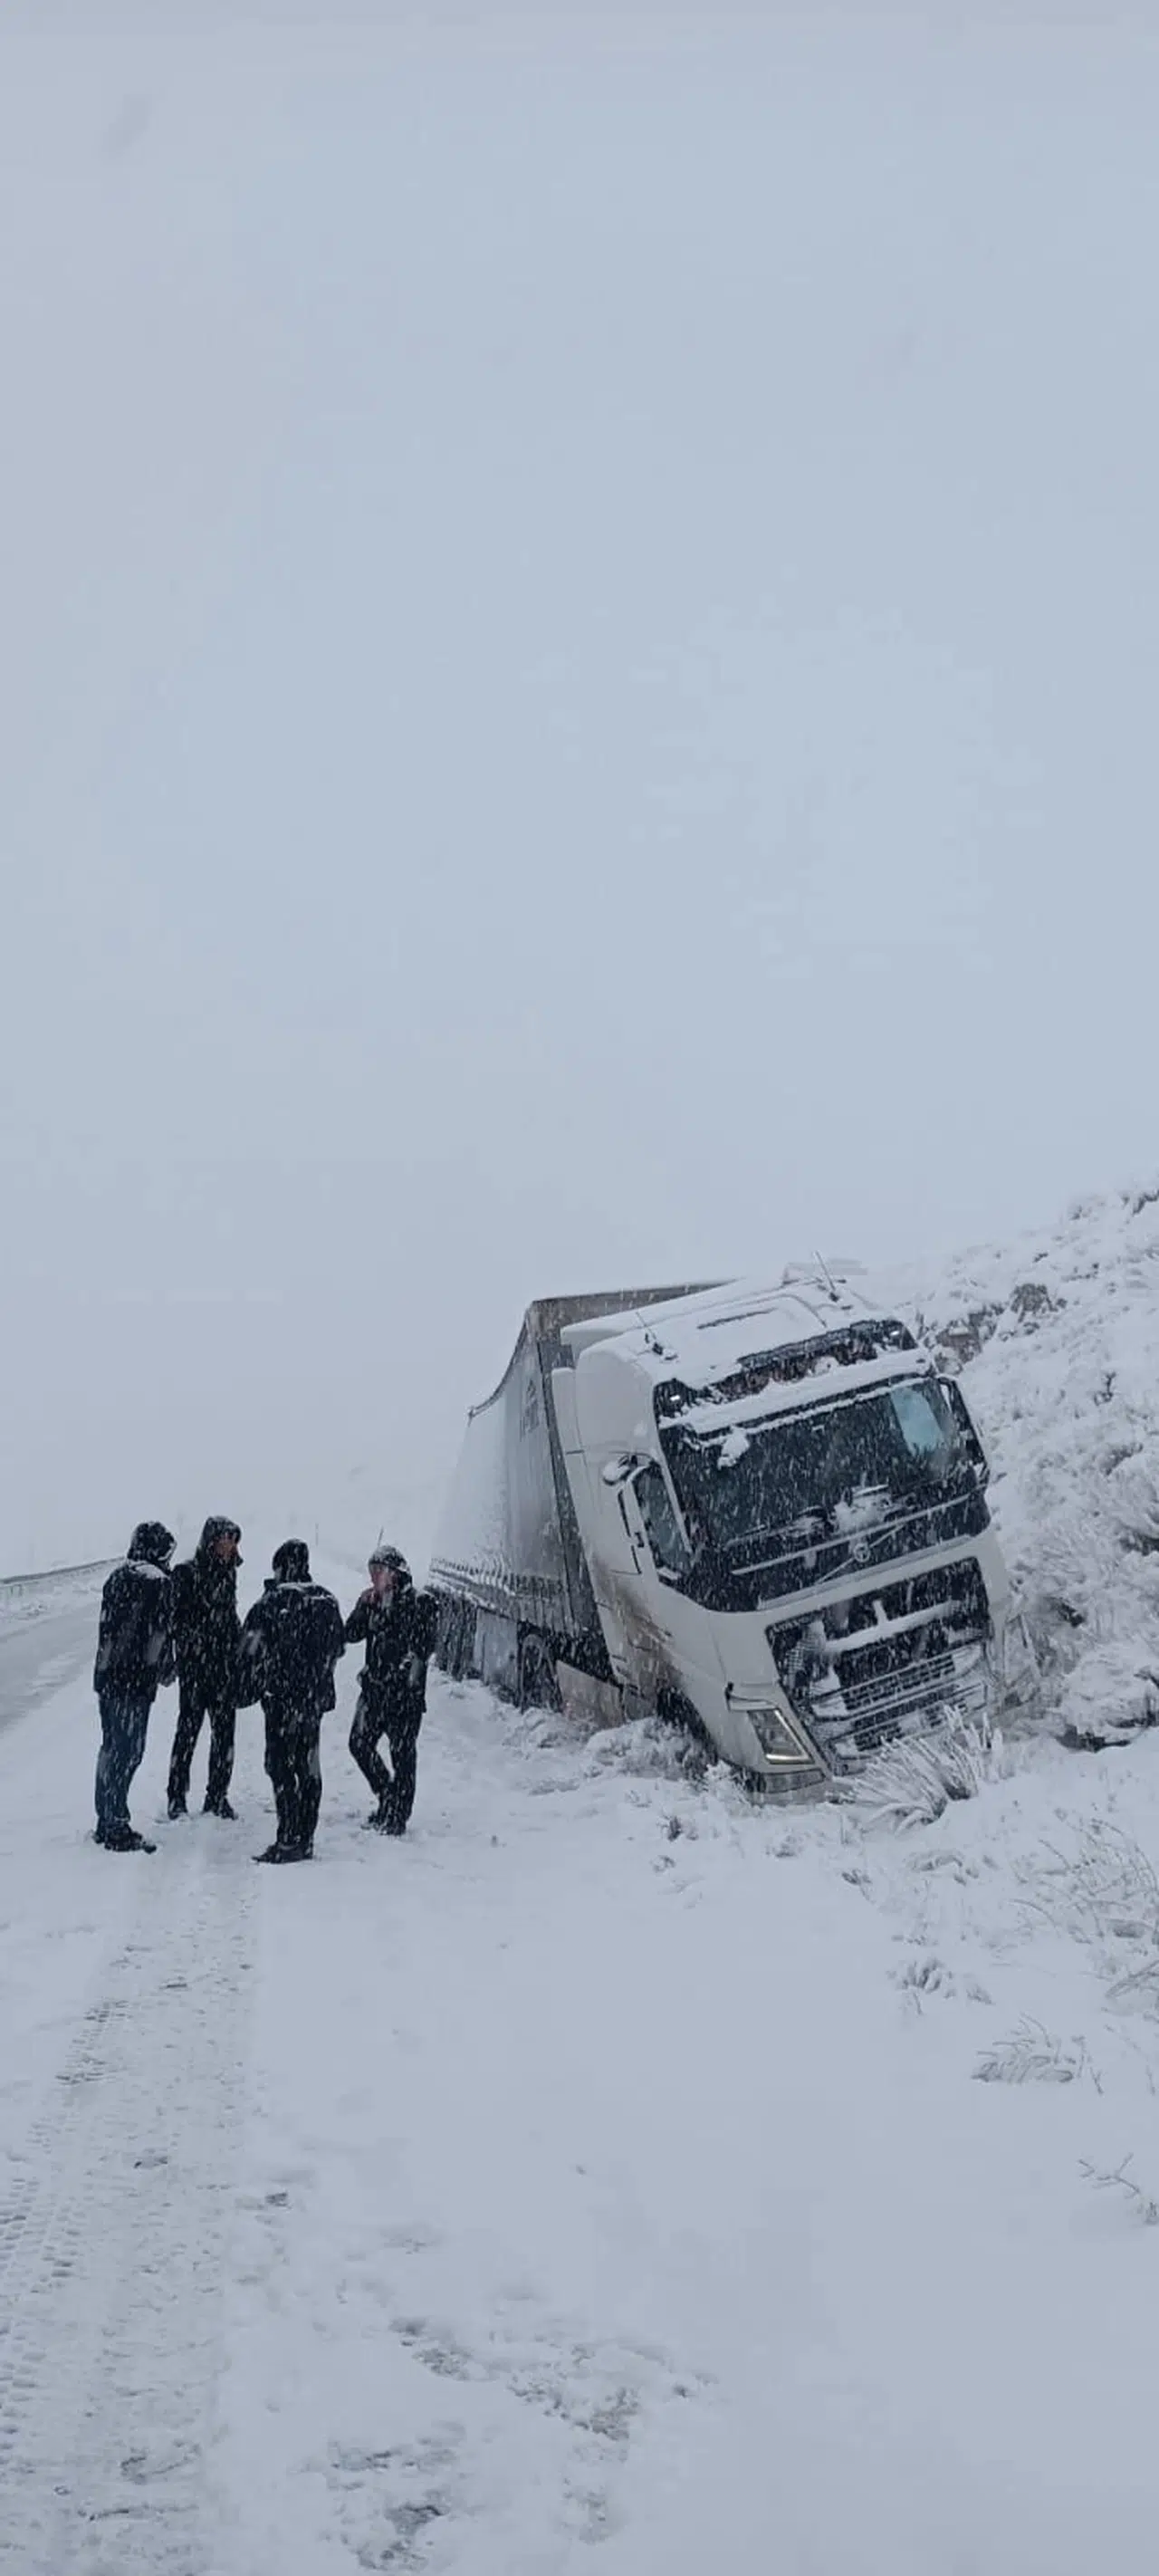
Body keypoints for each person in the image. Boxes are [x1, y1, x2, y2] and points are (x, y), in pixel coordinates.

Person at [238, 1539, 345, 1864]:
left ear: (281, 1567)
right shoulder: (326, 1600)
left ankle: (288, 1839)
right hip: (312, 1700)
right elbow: (338, 1647)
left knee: (280, 1766)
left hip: (281, 1699)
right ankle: (305, 1838)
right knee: (308, 1765)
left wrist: (245, 1686)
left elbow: (248, 1650)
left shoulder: (271, 1602)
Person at [92, 1522, 177, 1852]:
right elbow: (159, 1635)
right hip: (134, 1681)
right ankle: (117, 1826)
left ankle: (104, 1819)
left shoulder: (117, 1576)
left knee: (110, 1748)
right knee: (129, 1752)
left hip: (108, 1677)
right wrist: (164, 1670)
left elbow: (107, 1630)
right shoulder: (158, 1583)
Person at [346, 1546, 437, 1835]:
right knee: (359, 1744)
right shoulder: (372, 1602)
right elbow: (350, 1634)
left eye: (379, 1571)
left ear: (396, 1572)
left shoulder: (421, 1602)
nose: (374, 1578)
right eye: (371, 1572)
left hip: (404, 1696)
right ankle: (387, 1795)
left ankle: (399, 1814)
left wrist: (403, 1674)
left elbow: (424, 1647)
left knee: (403, 1754)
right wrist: (363, 1606)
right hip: (374, 1690)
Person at [166, 1516, 243, 1820]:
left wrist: (240, 1646)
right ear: (211, 1540)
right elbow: (176, 1621)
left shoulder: (229, 1573)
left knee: (224, 1735)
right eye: (226, 1538)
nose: (231, 1545)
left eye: (234, 1539)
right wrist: (197, 1643)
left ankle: (217, 1796)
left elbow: (229, 1615)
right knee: (187, 1732)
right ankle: (176, 1797)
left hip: (223, 1668)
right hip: (196, 1669)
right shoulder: (186, 1572)